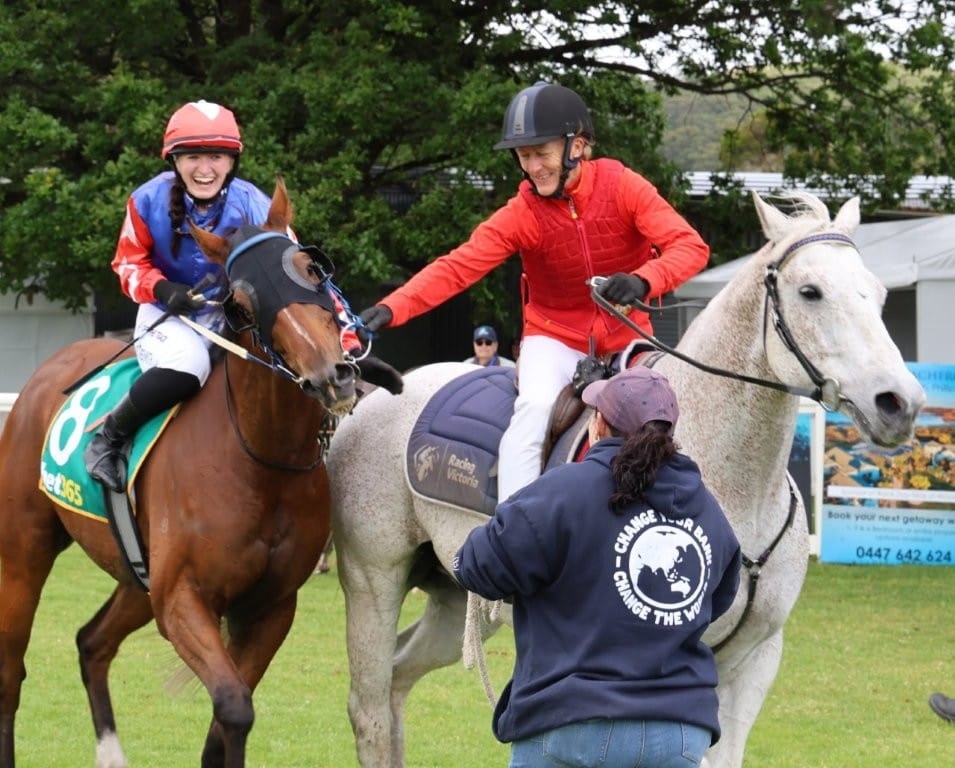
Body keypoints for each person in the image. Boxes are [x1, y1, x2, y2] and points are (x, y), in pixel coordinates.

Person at [359, 81, 709, 502]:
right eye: (524, 156)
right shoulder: (522, 212)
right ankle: (513, 529)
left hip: (629, 336)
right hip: (554, 337)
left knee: (672, 411)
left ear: (577, 146)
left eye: (541, 153)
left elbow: (691, 247)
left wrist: (644, 280)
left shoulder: (624, 186)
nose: (533, 167)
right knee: (535, 411)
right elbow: (457, 268)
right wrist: (390, 308)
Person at [453, 367, 741, 768]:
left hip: (569, 720)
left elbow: (477, 566)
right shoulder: (709, 509)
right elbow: (720, 596)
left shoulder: (561, 490)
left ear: (599, 424)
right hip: (679, 730)